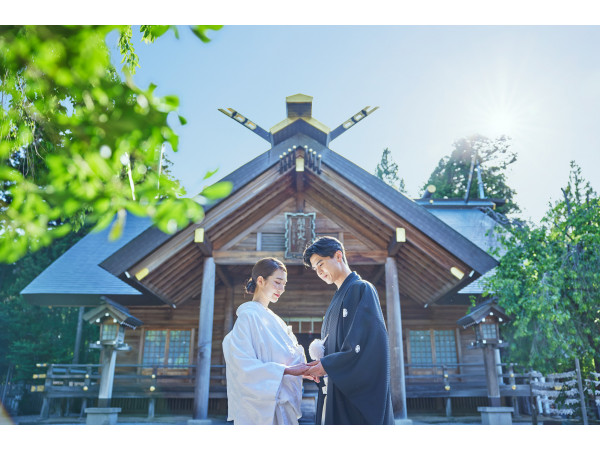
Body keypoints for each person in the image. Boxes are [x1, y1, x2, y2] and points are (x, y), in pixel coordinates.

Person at [303, 236, 395, 425]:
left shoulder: (362, 289)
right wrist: (321, 365)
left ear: (338, 256)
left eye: (321, 264)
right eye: (315, 269)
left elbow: (366, 345)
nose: (319, 272)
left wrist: (328, 365)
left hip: (353, 392)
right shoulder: (336, 299)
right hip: (335, 386)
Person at [222, 257, 310, 425]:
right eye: (277, 282)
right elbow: (244, 366)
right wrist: (288, 371)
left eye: (284, 284)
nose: (281, 289)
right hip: (259, 408)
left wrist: (303, 369)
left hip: (281, 402)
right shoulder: (247, 316)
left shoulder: (276, 320)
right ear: (260, 280)